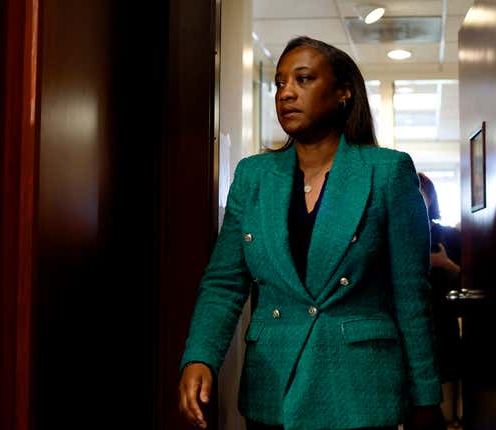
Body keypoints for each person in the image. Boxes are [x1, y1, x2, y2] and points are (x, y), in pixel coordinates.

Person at [178, 36, 444, 430]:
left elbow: (411, 294)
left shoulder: (387, 172)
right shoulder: (253, 177)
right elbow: (224, 282)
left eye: (303, 80)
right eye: (280, 83)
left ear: (342, 94)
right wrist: (200, 355)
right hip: (273, 386)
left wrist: (425, 396)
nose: (286, 93)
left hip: (361, 390)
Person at [417, 172, 462, 426]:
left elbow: (469, 280)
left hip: (444, 320)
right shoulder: (396, 233)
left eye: (420, 193)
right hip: (410, 321)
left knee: (445, 404)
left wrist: (446, 265)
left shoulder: (450, 236)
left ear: (431, 198)